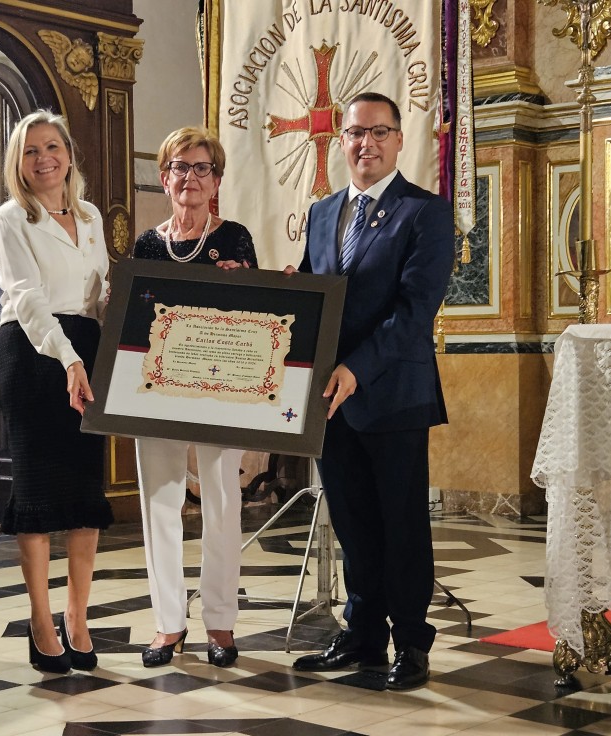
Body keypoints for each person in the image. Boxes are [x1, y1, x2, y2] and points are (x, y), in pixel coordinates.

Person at [286, 92, 453, 690]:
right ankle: (362, 636)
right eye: (356, 133)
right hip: (330, 400)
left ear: (399, 140)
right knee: (352, 521)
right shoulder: (325, 211)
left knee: (401, 523)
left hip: (392, 393)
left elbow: (414, 312)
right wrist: (274, 290)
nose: (366, 144)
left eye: (379, 133)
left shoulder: (425, 213)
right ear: (342, 141)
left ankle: (410, 640)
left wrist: (356, 367)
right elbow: (315, 288)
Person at [0, 109, 114, 674]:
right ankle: (41, 621)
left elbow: (101, 292)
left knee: (86, 495)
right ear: (19, 162)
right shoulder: (11, 218)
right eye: (31, 150)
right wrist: (67, 359)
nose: (44, 159)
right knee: (38, 499)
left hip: (86, 352)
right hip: (36, 355)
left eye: (52, 147)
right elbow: (27, 296)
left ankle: (77, 617)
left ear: (69, 154)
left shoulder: (90, 216)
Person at [133, 126, 257, 668]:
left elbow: (255, 316)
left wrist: (245, 282)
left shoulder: (235, 238)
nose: (190, 177)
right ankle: (167, 625)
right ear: (164, 178)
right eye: (179, 167)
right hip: (156, 389)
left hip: (220, 390)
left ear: (217, 180)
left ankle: (221, 625)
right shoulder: (146, 244)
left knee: (222, 505)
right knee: (159, 503)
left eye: (201, 168)